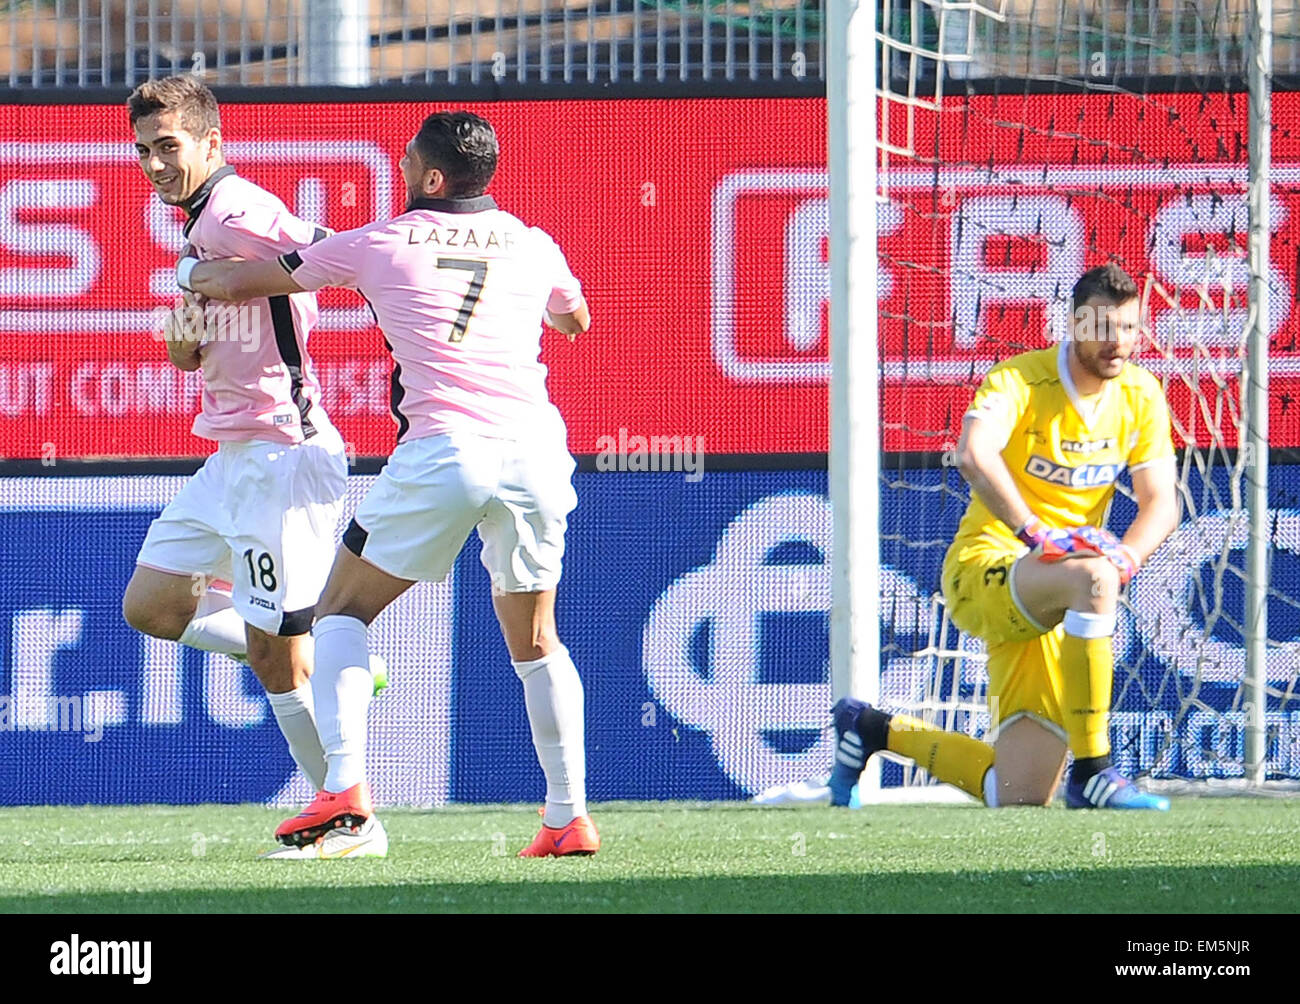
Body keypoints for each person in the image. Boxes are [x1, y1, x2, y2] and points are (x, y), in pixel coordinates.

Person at [182, 110, 597, 857]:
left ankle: (344, 797)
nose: (399, 169)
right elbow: (576, 321)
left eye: (407, 161)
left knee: (338, 610)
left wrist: (191, 274)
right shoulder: (533, 243)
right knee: (537, 640)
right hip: (536, 450)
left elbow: (241, 279)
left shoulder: (381, 242)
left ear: (433, 178)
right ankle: (567, 817)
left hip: (447, 451)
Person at [120, 75, 387, 858]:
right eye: (143, 151)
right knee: (152, 604)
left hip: (283, 456)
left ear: (212, 142)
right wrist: (189, 308)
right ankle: (303, 646)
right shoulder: (201, 223)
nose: (155, 164)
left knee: (276, 655)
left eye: (169, 146)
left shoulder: (241, 211)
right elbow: (188, 346)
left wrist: (210, 276)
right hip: (231, 455)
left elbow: (326, 257)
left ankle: (349, 822)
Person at [831, 263, 1179, 810]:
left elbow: (1162, 501)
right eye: (1102, 328)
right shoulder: (1019, 379)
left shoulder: (1141, 394)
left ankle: (872, 730)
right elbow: (972, 453)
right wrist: (1035, 533)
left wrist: (1129, 556)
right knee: (1093, 577)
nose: (1117, 342)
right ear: (1073, 324)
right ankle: (1094, 770)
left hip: (1061, 594)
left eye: (1130, 329)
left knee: (1016, 797)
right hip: (987, 567)